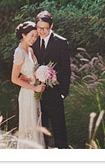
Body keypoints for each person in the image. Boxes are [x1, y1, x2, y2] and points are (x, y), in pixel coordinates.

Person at [31, 11, 71, 149]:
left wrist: (63, 93)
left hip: (55, 93)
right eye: (39, 28)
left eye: (45, 28)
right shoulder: (33, 41)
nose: (41, 31)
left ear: (51, 26)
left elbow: (66, 69)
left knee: (59, 129)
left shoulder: (61, 42)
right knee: (41, 129)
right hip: (37, 93)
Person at [11, 21, 46, 149]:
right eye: (31, 35)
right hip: (27, 93)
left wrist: (43, 76)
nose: (34, 39)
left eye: (36, 36)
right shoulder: (19, 52)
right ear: (24, 35)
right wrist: (34, 87)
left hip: (35, 92)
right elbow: (14, 78)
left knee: (35, 123)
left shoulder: (30, 50)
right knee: (29, 124)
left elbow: (34, 70)